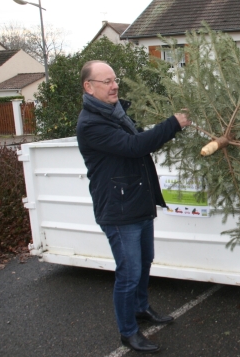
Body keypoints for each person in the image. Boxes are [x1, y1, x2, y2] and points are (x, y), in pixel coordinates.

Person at [76, 60, 191, 352]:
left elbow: (139, 141)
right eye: (106, 81)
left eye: (115, 80)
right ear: (89, 87)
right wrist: (172, 124)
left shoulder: (115, 114)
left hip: (136, 200)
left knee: (144, 261)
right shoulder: (91, 124)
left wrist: (170, 129)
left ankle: (141, 309)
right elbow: (134, 147)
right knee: (128, 272)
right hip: (118, 209)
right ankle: (128, 331)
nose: (114, 86)